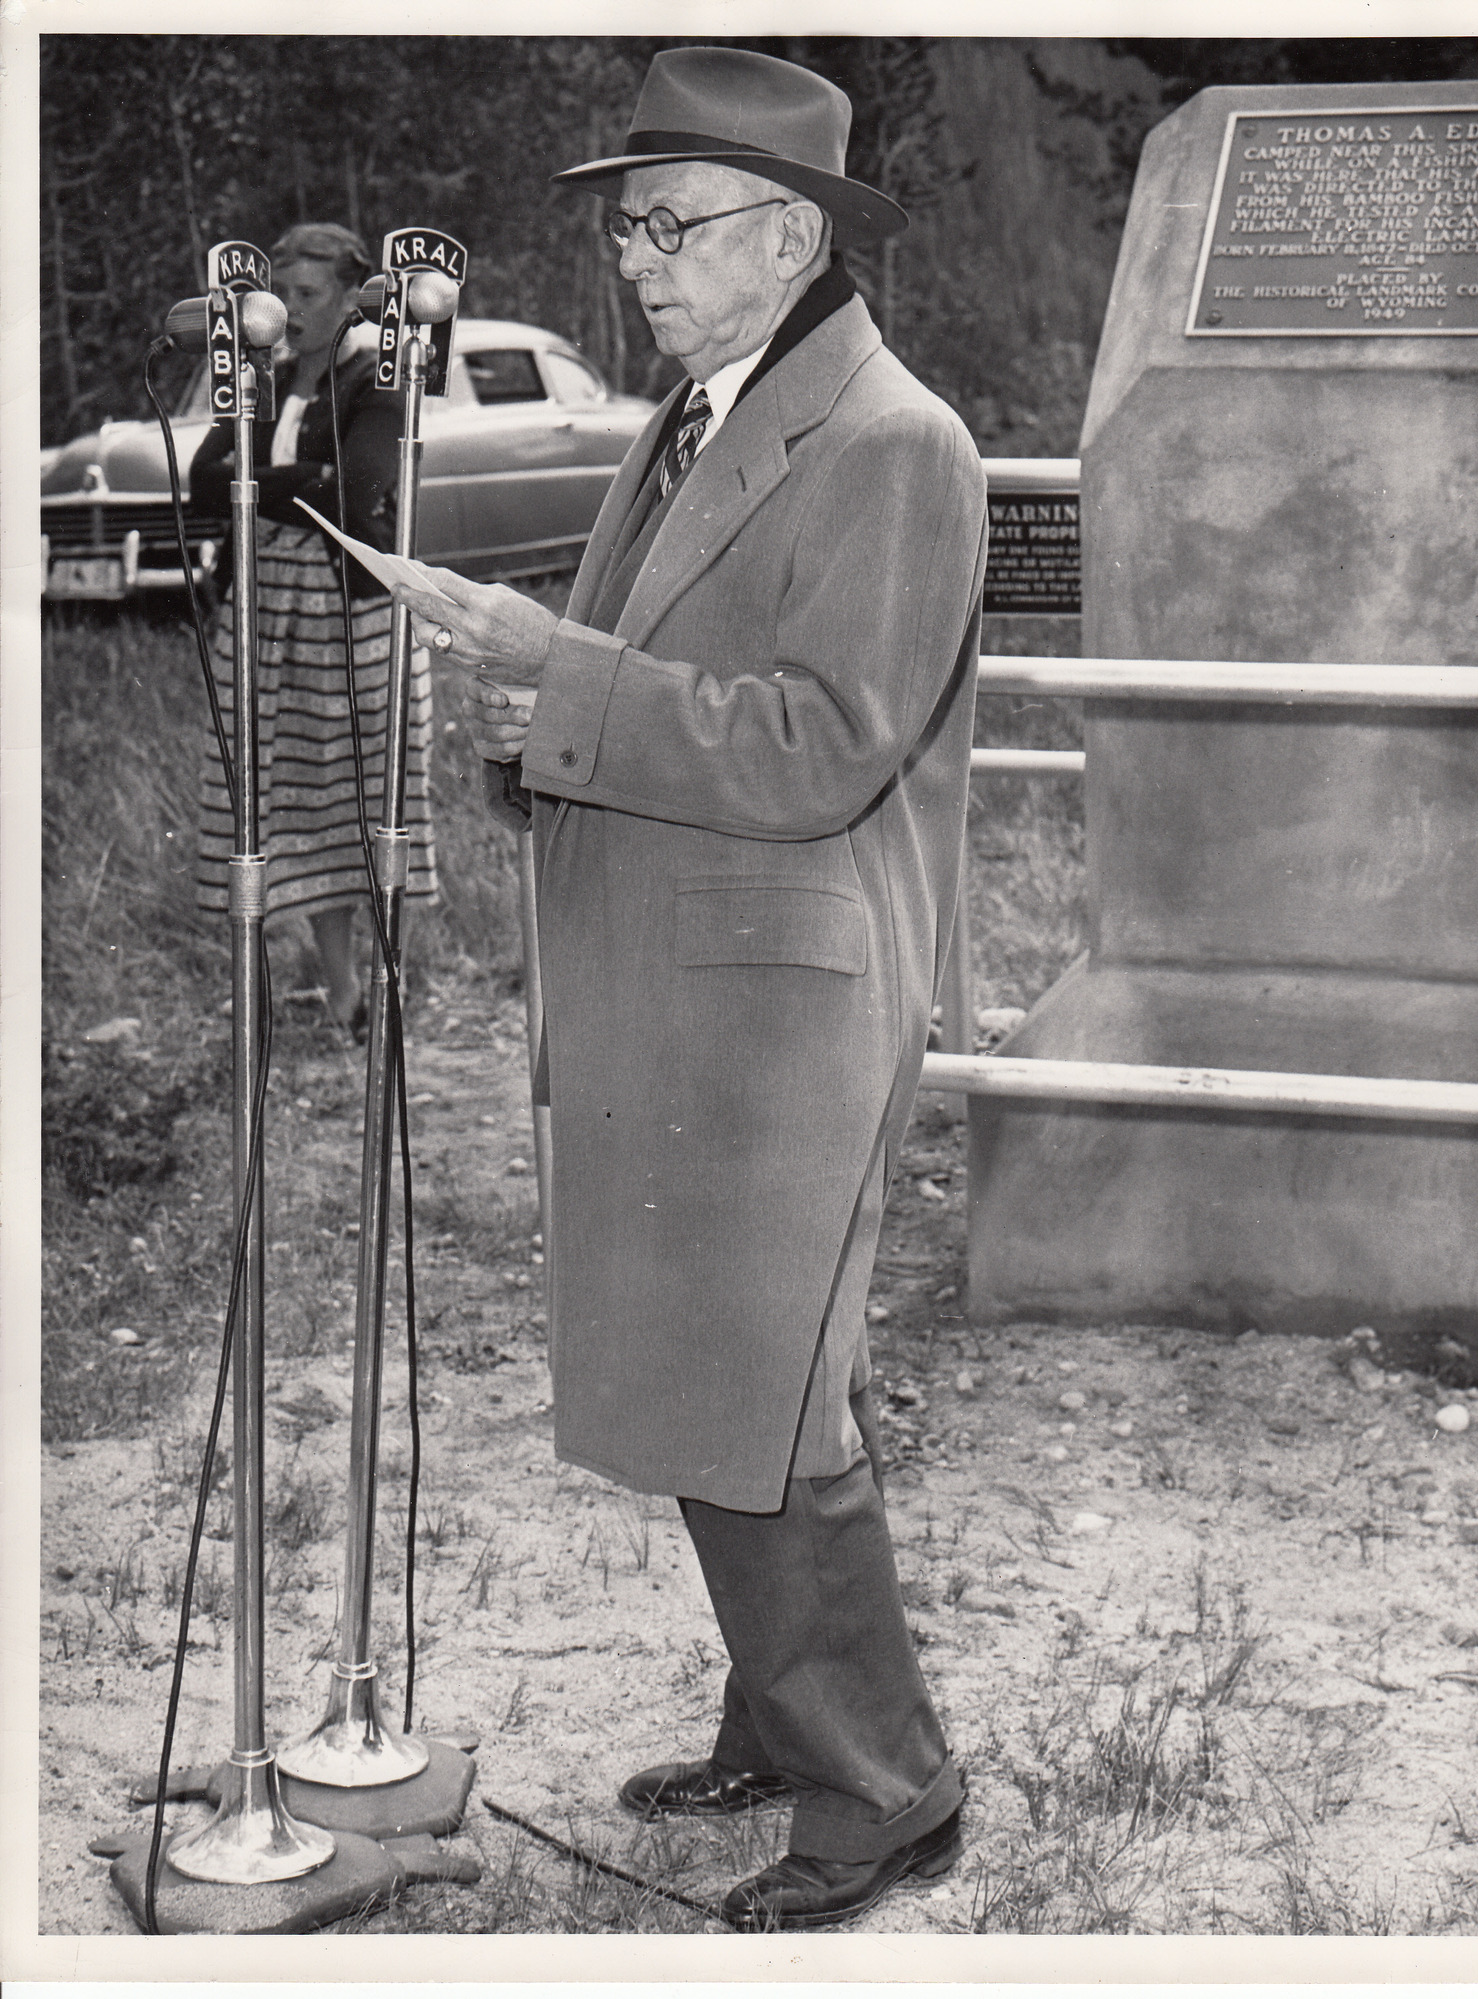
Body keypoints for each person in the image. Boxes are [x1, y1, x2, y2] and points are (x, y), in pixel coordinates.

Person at [393, 48, 987, 1931]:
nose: (633, 258)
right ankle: (780, 1720)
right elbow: (653, 685)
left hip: (784, 996)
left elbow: (823, 741)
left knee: (776, 1404)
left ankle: (886, 1789)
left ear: (790, 232)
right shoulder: (701, 414)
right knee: (742, 1382)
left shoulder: (893, 442)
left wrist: (549, 667)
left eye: (670, 223)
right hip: (695, 974)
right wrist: (522, 720)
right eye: (626, 222)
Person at [192, 221, 437, 1037]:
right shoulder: (268, 375)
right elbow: (201, 481)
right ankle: (342, 991)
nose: (288, 312)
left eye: (305, 296)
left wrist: (257, 478)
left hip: (352, 622)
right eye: (281, 296)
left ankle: (388, 983)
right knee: (290, 803)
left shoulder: (376, 380)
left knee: (366, 799)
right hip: (267, 622)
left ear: (347, 296)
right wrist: (296, 476)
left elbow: (356, 498)